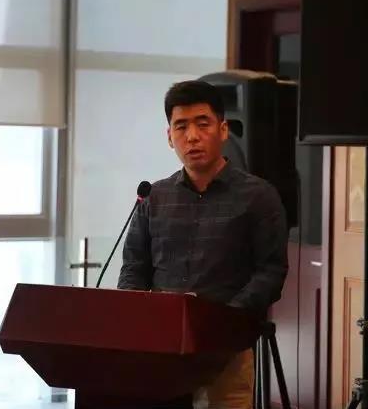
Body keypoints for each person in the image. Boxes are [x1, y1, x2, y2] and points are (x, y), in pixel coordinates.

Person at [118, 80, 289, 409]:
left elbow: (271, 271)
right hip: (162, 346)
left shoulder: (258, 196)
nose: (192, 136)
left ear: (223, 130)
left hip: (227, 349)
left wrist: (223, 320)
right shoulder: (154, 197)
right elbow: (134, 267)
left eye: (203, 124)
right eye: (181, 126)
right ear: (170, 137)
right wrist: (136, 319)